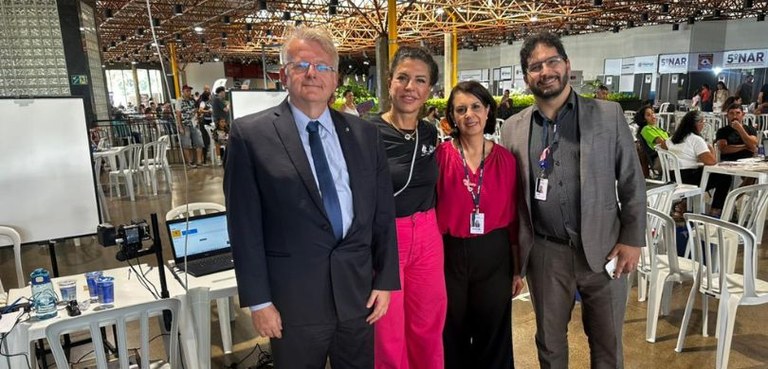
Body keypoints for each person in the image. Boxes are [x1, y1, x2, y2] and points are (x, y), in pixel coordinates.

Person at [224, 26, 400, 369]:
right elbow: (244, 226)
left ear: (335, 79)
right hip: (293, 303)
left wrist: (386, 280)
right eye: (301, 65)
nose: (312, 74)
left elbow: (382, 214)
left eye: (323, 67)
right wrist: (259, 301)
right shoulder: (250, 135)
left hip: (357, 296)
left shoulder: (365, 134)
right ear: (283, 75)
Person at [500, 32, 646, 369]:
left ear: (567, 65)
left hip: (605, 249)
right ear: (526, 77)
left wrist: (631, 240)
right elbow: (510, 197)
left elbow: (631, 182)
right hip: (545, 255)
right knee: (550, 346)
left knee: (607, 346)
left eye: (552, 61)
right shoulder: (513, 129)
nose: (545, 71)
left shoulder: (607, 115)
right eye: (535, 66)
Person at [436, 80, 523, 369]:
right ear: (452, 116)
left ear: (487, 111)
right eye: (460, 109)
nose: (469, 115)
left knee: (493, 334)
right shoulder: (440, 158)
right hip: (450, 256)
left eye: (475, 107)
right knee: (451, 333)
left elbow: (513, 219)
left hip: (494, 255)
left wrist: (516, 268)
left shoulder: (506, 160)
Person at [370, 45, 446, 369]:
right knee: (387, 330)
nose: (410, 87)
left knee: (428, 322)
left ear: (429, 89)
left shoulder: (430, 132)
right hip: (388, 238)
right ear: (389, 82)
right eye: (402, 78)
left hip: (428, 234)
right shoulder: (367, 132)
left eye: (419, 80)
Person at [666, 111, 731, 216]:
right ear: (697, 124)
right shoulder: (696, 139)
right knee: (724, 177)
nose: (703, 125)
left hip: (673, 176)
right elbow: (711, 162)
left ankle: (685, 203)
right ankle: (716, 209)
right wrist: (710, 148)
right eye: (702, 122)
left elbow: (662, 148)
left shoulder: (672, 139)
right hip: (689, 178)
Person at [176, 84, 204, 168]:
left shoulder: (192, 100)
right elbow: (178, 114)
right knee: (186, 144)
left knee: (199, 142)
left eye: (189, 91)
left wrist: (197, 114)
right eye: (187, 91)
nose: (189, 92)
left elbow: (196, 110)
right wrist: (180, 126)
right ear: (183, 91)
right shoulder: (179, 101)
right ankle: (189, 162)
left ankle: (199, 161)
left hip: (194, 123)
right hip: (185, 124)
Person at [636, 105, 668, 173]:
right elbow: (662, 143)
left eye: (653, 113)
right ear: (644, 119)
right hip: (661, 158)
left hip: (667, 155)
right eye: (648, 115)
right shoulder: (646, 129)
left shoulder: (659, 129)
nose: (653, 116)